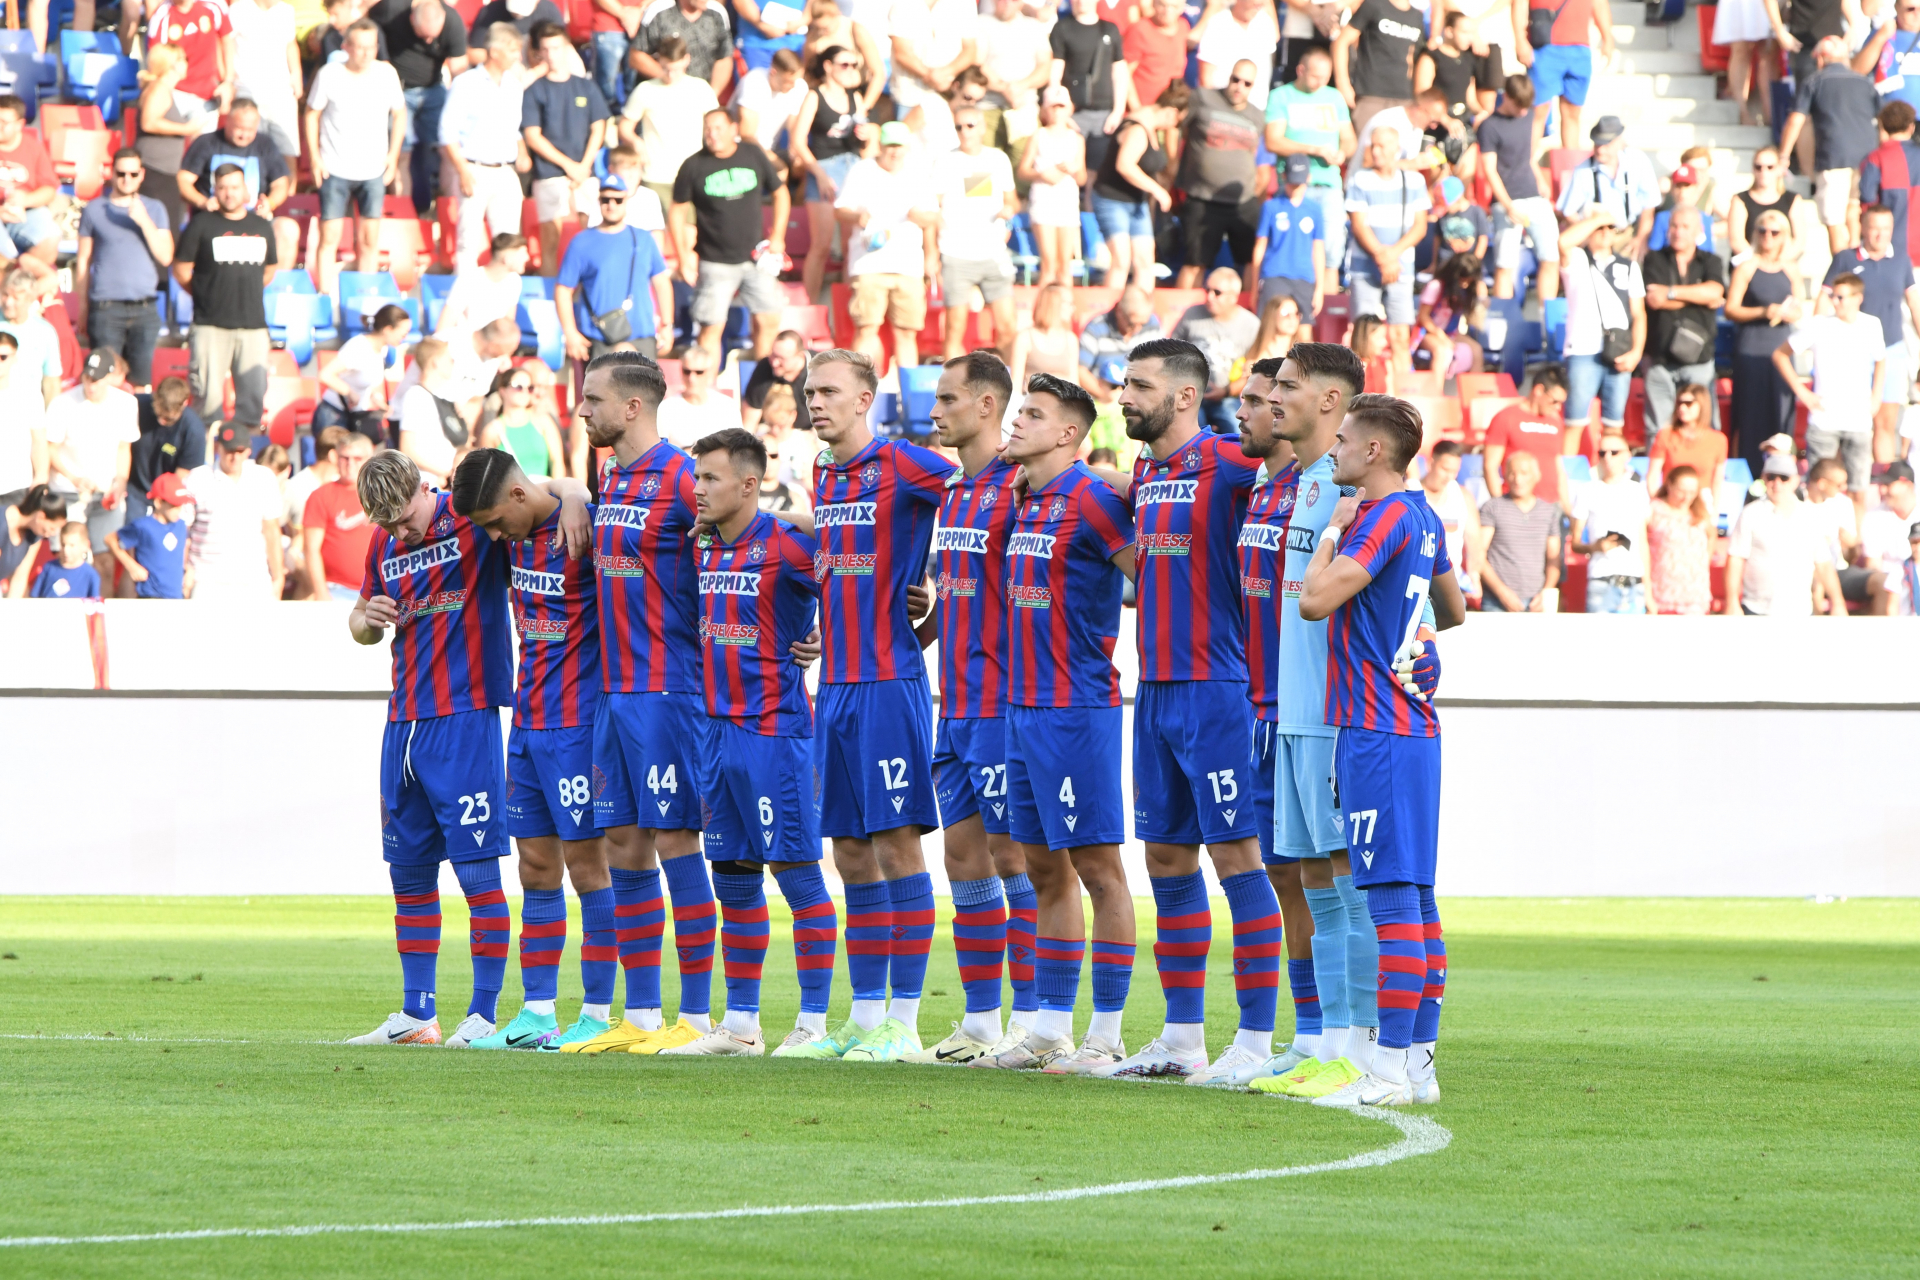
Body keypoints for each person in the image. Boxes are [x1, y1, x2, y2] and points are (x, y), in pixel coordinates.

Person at [1060, 337, 1269, 1083]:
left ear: (1186, 396)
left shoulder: (1231, 462)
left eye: (1140, 386)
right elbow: (1118, 486)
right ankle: (1182, 1039)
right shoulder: (1150, 471)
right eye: (1124, 383)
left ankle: (1258, 1040)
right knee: (1167, 858)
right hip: (1154, 690)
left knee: (1239, 859)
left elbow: (1315, 484)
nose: (1124, 397)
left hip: (1219, 688)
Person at [343, 448, 589, 1048]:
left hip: (467, 717)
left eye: (404, 519)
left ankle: (481, 1013)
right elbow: (358, 624)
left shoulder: (471, 517)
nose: (401, 533)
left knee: (478, 872)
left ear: (425, 489)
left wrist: (578, 494)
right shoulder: (382, 546)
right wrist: (367, 619)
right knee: (408, 872)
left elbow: (536, 488)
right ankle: (416, 1014)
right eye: (389, 526)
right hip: (403, 721)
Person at [776, 347, 956, 1062]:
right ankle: (867, 1015)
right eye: (807, 391)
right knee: (850, 851)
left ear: (865, 399)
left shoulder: (908, 464)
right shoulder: (824, 471)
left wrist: (939, 597)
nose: (814, 402)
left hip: (890, 684)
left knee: (896, 846)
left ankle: (906, 1025)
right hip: (838, 688)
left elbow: (984, 494)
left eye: (827, 391)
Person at [621, 426, 818, 1055]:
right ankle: (741, 1026)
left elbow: (859, 593)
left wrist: (825, 640)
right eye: (695, 477)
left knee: (797, 877)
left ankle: (812, 1025)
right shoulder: (702, 544)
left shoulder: (789, 547)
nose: (696, 489)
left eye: (709, 478)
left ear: (750, 484)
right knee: (733, 877)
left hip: (773, 732)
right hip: (713, 732)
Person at [964, 369, 1139, 1072]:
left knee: (1100, 870)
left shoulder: (1095, 500)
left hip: (1078, 712)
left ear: (1069, 434)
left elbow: (1149, 581)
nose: (1015, 423)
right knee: (1041, 870)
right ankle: (1048, 1027)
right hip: (1020, 711)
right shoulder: (1019, 500)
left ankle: (1108, 1034)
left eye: (1031, 415)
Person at [1292, 393, 1462, 1107]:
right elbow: (1452, 610)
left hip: (1376, 730)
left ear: (1374, 452)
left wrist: (1332, 532)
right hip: (1413, 729)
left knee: (1390, 901)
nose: (1333, 449)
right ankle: (1417, 1063)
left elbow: (1313, 599)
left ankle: (1387, 1069)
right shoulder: (1424, 517)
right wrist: (1415, 638)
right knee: (1416, 901)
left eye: (1345, 439)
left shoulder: (1382, 515)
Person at [1232, 343, 1372, 1095]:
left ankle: (1361, 1047)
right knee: (1311, 877)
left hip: (1331, 714)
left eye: (1285, 387)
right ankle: (1320, 1040)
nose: (1270, 397)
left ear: (1329, 402)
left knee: (1345, 880)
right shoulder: (1289, 486)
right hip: (1286, 709)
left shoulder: (1343, 487)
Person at [441, 448, 610, 1050]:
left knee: (590, 869)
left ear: (516, 496)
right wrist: (567, 489)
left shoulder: (581, 532)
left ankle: (597, 1012)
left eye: (492, 521)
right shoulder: (521, 530)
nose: (490, 535)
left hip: (579, 726)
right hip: (530, 722)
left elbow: (583, 494)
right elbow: (559, 486)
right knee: (536, 867)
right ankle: (538, 1013)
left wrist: (574, 497)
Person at [898, 351, 1031, 1062]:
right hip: (957, 702)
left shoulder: (1021, 485)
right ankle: (982, 1023)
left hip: (1008, 703)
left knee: (1019, 857)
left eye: (948, 399)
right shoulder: (951, 492)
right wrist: (928, 622)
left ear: (987, 406)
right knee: (963, 857)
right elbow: (962, 592)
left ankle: (1041, 1019)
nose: (935, 411)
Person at [671, 109, 789, 360]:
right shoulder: (693, 166)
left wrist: (778, 236)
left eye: (718, 128)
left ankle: (760, 382)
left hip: (756, 258)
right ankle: (705, 387)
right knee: (710, 329)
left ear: (734, 129)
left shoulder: (753, 154)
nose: (712, 135)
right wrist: (682, 256)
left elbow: (781, 194)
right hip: (715, 261)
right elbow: (677, 212)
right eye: (707, 129)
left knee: (769, 320)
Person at [304, 20, 407, 296]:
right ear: (346, 46)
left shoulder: (387, 74)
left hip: (373, 169)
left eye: (370, 47)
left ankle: (365, 297)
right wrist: (314, 157)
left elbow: (400, 114)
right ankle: (325, 297)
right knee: (330, 239)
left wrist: (393, 156)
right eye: (359, 47)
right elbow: (312, 113)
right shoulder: (330, 74)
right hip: (334, 167)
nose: (364, 53)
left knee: (369, 239)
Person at [175, 165, 278, 430]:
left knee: (252, 401)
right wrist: (206, 293)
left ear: (245, 190)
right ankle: (205, 459)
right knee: (207, 403)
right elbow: (182, 270)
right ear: (215, 191)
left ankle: (246, 457)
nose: (229, 194)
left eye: (234, 187)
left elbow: (269, 270)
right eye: (222, 188)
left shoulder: (261, 226)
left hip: (253, 326)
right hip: (210, 325)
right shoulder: (201, 224)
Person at [836, 122, 939, 372]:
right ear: (880, 145)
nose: (894, 151)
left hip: (908, 265)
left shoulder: (918, 172)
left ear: (907, 148)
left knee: (906, 332)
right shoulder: (862, 170)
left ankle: (908, 396)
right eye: (890, 145)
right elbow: (840, 210)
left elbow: (933, 218)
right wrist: (857, 217)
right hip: (869, 263)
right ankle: (860, 390)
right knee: (866, 328)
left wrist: (926, 240)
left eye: (899, 146)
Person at [1823, 204, 1920, 467]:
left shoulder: (1901, 260)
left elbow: (1913, 302)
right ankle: (1841, 479)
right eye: (1874, 228)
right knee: (1849, 421)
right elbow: (1824, 297)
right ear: (1864, 228)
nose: (1879, 234)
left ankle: (1883, 478)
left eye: (1885, 228)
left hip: (1891, 350)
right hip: (1852, 352)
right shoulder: (1845, 258)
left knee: (1885, 421)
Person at [1779, 273, 1885, 506]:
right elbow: (1780, 354)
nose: (1835, 301)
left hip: (1858, 419)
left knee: (1858, 488)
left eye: (1840, 297)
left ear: (1858, 298)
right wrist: (1802, 392)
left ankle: (1855, 541)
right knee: (1820, 488)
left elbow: (1881, 359)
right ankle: (1817, 539)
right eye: (1833, 296)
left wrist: (1876, 396)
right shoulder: (1819, 325)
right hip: (1824, 420)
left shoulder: (1871, 324)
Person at [75, 150, 175, 393]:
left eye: (133, 173)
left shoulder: (154, 208)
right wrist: (82, 307)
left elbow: (165, 256)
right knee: (103, 380)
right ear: (111, 174)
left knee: (141, 384)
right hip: (106, 308)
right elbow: (83, 260)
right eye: (121, 173)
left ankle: (137, 431)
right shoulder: (94, 209)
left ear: (142, 175)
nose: (127, 179)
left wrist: (143, 221)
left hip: (145, 308)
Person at [440, 25, 532, 273]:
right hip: (474, 169)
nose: (518, 56)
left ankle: (504, 307)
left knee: (510, 243)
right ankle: (464, 305)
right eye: (513, 50)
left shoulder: (513, 85)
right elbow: (447, 132)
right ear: (494, 51)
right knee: (468, 242)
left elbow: (514, 128)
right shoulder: (465, 83)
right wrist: (463, 171)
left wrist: (521, 150)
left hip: (505, 170)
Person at [520, 23, 612, 272]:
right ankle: (550, 294)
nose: (552, 54)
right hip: (550, 175)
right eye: (546, 49)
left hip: (585, 174)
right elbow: (533, 136)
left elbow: (599, 127)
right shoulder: (534, 91)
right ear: (539, 53)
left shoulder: (585, 87)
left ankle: (585, 292)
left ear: (566, 48)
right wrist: (568, 165)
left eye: (557, 48)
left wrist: (583, 165)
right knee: (551, 241)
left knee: (591, 237)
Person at [557, 175, 674, 365]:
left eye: (618, 200)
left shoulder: (643, 239)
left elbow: (661, 281)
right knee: (600, 394)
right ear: (599, 201)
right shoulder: (581, 242)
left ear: (626, 201)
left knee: (645, 393)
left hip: (641, 334)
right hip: (598, 335)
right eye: (605, 200)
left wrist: (667, 325)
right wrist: (570, 333)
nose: (611, 205)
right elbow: (563, 289)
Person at [1780, 36, 1881, 255]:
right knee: (1854, 210)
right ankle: (1856, 265)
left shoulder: (1814, 81)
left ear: (1820, 59)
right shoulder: (1865, 82)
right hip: (1867, 158)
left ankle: (1843, 275)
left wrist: (1783, 155)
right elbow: (1880, 121)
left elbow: (1796, 120)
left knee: (1833, 219)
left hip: (1833, 158)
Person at [46, 349, 140, 585]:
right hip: (68, 490)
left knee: (105, 561)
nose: (91, 385)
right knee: (66, 560)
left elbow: (123, 449)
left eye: (96, 380)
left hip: (105, 492)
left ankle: (98, 615)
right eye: (87, 378)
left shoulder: (126, 404)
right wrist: (74, 478)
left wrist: (120, 483)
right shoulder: (63, 403)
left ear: (110, 377)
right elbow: (50, 449)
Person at [935, 105, 1019, 362]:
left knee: (1007, 326)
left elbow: (1013, 201)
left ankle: (1007, 386)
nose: (964, 131)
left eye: (970, 125)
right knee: (954, 328)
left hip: (992, 250)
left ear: (982, 127)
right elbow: (933, 207)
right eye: (959, 126)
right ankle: (957, 389)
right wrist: (934, 249)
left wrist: (1008, 211)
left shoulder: (998, 159)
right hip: (955, 251)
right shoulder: (945, 161)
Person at [791, 47, 877, 299]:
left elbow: (865, 137)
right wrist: (817, 173)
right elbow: (798, 140)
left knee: (852, 245)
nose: (851, 70)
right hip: (825, 167)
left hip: (852, 167)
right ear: (828, 67)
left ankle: (847, 308)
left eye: (854, 65)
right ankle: (811, 306)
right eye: (845, 65)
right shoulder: (814, 96)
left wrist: (866, 134)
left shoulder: (856, 98)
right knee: (821, 245)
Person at [1174, 60, 1266, 290]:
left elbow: (1261, 158)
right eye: (1235, 79)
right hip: (1202, 197)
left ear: (1253, 86)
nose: (1239, 87)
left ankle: (1246, 314)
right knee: (1195, 262)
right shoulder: (1202, 98)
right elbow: (1173, 126)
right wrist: (1172, 164)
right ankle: (1181, 316)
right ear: (1229, 77)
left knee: (1249, 263)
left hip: (1242, 201)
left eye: (1246, 83)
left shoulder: (1257, 116)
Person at [1559, 207, 1645, 451]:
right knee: (1575, 422)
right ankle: (1569, 475)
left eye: (1610, 227)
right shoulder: (1577, 260)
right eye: (1599, 228)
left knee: (1613, 425)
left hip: (1617, 349)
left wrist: (1636, 352)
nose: (1606, 232)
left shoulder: (1628, 267)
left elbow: (1639, 314)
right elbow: (1563, 241)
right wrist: (1598, 218)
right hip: (1582, 350)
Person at [370, 0, 468, 217]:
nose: (429, 41)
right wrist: (382, 57)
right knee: (401, 153)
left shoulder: (452, 21)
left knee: (449, 150)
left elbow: (459, 69)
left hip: (434, 88)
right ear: (413, 18)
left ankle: (449, 210)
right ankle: (402, 213)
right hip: (398, 91)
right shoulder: (391, 10)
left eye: (434, 36)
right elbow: (366, 24)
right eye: (424, 35)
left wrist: (460, 109)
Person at [1346, 126, 1432, 372]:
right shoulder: (1360, 180)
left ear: (1398, 149)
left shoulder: (1414, 180)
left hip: (1400, 267)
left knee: (1400, 337)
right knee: (1364, 338)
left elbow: (1420, 227)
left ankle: (1401, 399)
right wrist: (1383, 258)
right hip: (1365, 268)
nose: (1376, 151)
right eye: (1373, 145)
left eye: (1382, 145)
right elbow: (1359, 225)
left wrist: (1391, 256)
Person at [1265, 47, 1354, 283]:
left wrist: (1342, 153)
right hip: (1294, 185)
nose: (1321, 83)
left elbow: (1349, 139)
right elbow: (1273, 140)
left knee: (1331, 254)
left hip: (1329, 185)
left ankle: (1326, 312)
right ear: (1301, 70)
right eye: (1316, 77)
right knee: (1290, 250)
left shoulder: (1334, 97)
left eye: (1326, 77)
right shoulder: (1281, 96)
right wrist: (1314, 150)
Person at [1726, 208, 1804, 475]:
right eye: (1762, 231)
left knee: (1780, 410)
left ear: (1784, 236)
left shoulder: (1790, 269)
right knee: (1750, 413)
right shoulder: (1747, 266)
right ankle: (1748, 470)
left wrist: (1785, 313)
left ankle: (1781, 471)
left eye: (1774, 232)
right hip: (1752, 346)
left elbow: (1799, 307)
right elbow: (1731, 308)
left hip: (1781, 345)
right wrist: (1763, 312)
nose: (1768, 237)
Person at [1091, 82, 1188, 290]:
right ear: (1171, 113)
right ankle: (1109, 314)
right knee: (1121, 261)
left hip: (1137, 202)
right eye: (1177, 123)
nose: (1174, 128)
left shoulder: (1151, 128)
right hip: (1112, 200)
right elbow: (1125, 165)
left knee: (1145, 261)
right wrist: (1157, 189)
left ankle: (1142, 312)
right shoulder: (1137, 127)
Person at [1642, 203, 1726, 437]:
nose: (1678, 231)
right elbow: (1653, 300)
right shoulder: (1654, 259)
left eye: (1685, 226)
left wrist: (1670, 292)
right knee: (1659, 430)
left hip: (1699, 359)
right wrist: (1698, 295)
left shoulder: (1711, 261)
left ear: (1698, 231)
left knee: (1703, 428)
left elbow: (1715, 292)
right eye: (1674, 226)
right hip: (1660, 358)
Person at [1725, 453, 1844, 615]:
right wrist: (1732, 601)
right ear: (1763, 479)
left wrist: (1838, 602)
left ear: (1795, 481)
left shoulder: (1810, 516)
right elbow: (1736, 559)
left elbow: (1823, 564)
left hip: (1799, 610)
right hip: (1757, 609)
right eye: (1771, 477)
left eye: (1784, 478)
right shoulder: (1750, 513)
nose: (1777, 483)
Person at [619, 34, 722, 213]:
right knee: (660, 233)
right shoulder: (645, 90)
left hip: (693, 174)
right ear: (659, 61)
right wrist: (636, 142)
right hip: (656, 175)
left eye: (675, 69)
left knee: (691, 234)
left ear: (686, 60)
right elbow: (624, 127)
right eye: (666, 69)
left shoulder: (701, 88)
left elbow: (716, 124)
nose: (671, 75)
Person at [184, 421, 286, 600]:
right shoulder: (197, 478)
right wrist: (186, 571)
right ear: (218, 448)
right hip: (207, 579)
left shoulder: (263, 478)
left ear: (248, 450)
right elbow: (183, 530)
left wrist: (278, 576)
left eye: (240, 452)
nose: (235, 458)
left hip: (253, 579)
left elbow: (271, 530)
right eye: (229, 451)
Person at [1566, 428, 1651, 614]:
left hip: (1634, 582)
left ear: (1627, 455)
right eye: (1602, 453)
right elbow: (1576, 543)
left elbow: (1642, 542)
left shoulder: (1637, 491)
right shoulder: (1587, 490)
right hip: (1601, 580)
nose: (1608, 458)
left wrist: (1648, 592)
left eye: (1614, 452)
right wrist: (1595, 547)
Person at [1172, 268, 1260, 434]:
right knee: (1191, 435)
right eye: (1207, 290)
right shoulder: (1192, 314)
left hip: (1228, 397)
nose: (1209, 296)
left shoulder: (1251, 325)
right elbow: (1171, 353)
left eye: (1217, 292)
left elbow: (1252, 372)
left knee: (1238, 432)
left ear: (1234, 296)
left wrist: (1226, 391)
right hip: (1191, 395)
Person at [1017, 86, 1089, 289]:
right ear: (1045, 110)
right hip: (1044, 201)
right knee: (1049, 264)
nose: (1057, 112)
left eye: (1061, 107)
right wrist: (1041, 174)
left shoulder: (1077, 139)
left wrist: (1074, 169)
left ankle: (1065, 311)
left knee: (1064, 266)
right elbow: (1023, 170)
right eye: (1053, 107)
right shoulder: (1039, 136)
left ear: (1070, 109)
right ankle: (1044, 311)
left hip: (1067, 202)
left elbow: (1082, 177)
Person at [1512, 0, 1610, 147]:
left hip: (1579, 49)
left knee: (1572, 113)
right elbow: (1519, 3)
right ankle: (1526, 164)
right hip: (1545, 48)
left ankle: (1570, 165)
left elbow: (1600, 4)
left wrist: (1607, 37)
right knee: (1538, 111)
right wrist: (1520, 40)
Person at [1556, 116, 1657, 255]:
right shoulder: (1583, 170)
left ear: (1619, 142)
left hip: (1627, 235)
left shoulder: (1638, 162)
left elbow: (1649, 206)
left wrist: (1640, 239)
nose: (1601, 150)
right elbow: (1568, 211)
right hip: (1596, 238)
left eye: (1606, 144)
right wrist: (1588, 237)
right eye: (1597, 144)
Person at [135, 44, 208, 239]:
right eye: (183, 59)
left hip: (165, 172)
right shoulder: (158, 89)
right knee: (161, 233)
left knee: (168, 232)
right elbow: (149, 122)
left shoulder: (164, 90)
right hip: (155, 172)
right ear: (171, 65)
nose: (186, 64)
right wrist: (186, 129)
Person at [1477, 450, 1560, 611]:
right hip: (1496, 602)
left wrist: (1546, 592)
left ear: (1536, 476)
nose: (1518, 479)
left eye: (1524, 473)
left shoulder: (1548, 512)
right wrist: (1502, 592)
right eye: (1512, 473)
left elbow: (1554, 559)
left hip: (1536, 602)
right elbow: (1479, 554)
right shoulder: (1493, 507)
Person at [1049, 0, 1127, 170]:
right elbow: (1055, 73)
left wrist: (1118, 111)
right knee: (1069, 167)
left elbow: (1120, 72)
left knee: (1098, 170)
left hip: (1105, 114)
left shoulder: (1110, 29)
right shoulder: (1062, 28)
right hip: (1074, 113)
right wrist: (1061, 113)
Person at [298, 430, 375, 600]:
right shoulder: (321, 496)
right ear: (335, 458)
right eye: (345, 458)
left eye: (357, 459)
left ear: (369, 460)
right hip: (336, 591)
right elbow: (311, 549)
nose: (350, 464)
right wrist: (321, 594)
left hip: (378, 591)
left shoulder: (382, 495)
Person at [314, 303, 408, 443]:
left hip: (353, 416)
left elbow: (368, 382)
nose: (404, 338)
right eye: (403, 333)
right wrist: (349, 392)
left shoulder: (382, 349)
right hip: (333, 417)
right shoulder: (358, 347)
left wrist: (378, 400)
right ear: (388, 329)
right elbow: (325, 374)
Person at [1251, 155, 1328, 320]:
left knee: (1304, 332)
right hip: (1274, 275)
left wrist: (1320, 288)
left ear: (1308, 178)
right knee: (1269, 326)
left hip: (1304, 277)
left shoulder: (1314, 210)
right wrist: (1253, 287)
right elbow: (1260, 247)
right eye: (1292, 182)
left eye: (1299, 183)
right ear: (1284, 177)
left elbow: (1318, 250)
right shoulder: (1270, 207)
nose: (1295, 187)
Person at [888, 0, 980, 139]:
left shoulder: (964, 3)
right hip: (909, 97)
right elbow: (901, 52)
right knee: (904, 149)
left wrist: (946, 73)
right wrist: (931, 76)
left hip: (948, 98)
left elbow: (970, 50)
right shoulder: (903, 3)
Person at [1335, 0, 1423, 140]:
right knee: (1367, 153)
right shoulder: (1374, 4)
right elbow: (1341, 42)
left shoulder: (1417, 16)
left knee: (1396, 156)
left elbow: (1413, 59)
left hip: (1404, 99)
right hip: (1371, 95)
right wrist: (1343, 84)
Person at [0, 95, 62, 285]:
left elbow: (49, 190)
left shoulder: (33, 147)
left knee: (50, 237)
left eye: (4, 122)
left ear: (20, 124)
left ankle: (17, 280)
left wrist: (24, 200)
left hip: (23, 212)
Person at [228, 0, 302, 158]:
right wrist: (228, 78)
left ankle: (288, 184)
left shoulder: (286, 10)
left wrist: (296, 74)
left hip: (281, 91)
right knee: (249, 149)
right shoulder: (238, 9)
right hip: (247, 89)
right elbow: (225, 43)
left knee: (288, 150)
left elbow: (291, 44)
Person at [106, 471, 194, 599]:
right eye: (174, 505)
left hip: (175, 597)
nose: (178, 510)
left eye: (181, 505)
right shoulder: (143, 526)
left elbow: (182, 549)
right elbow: (110, 539)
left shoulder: (181, 526)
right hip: (150, 597)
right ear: (159, 502)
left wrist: (187, 570)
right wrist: (132, 566)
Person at [1645, 463, 1714, 614]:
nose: (1686, 497)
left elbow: (1712, 535)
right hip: (1662, 593)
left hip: (1694, 594)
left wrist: (1703, 559)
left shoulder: (1700, 512)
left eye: (1692, 492)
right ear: (1669, 485)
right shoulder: (1654, 509)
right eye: (1681, 491)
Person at [1418, 438, 1481, 601]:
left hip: (1452, 586)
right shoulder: (1411, 492)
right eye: (1445, 469)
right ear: (1430, 463)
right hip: (1418, 584)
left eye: (1455, 471)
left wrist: (1474, 575)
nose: (1449, 476)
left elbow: (1474, 543)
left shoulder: (1463, 496)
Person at [1728, 144, 1815, 262]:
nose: (1763, 171)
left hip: (1782, 264)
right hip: (1747, 264)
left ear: (1779, 169)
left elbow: (1798, 241)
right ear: (1753, 169)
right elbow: (1736, 240)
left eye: (1770, 167)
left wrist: (1776, 265)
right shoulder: (1740, 200)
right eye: (1758, 167)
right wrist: (1759, 265)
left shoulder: (1793, 200)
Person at [629, 0, 735, 95]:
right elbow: (636, 56)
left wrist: (711, 94)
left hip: (699, 96)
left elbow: (724, 57)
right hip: (662, 94)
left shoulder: (717, 13)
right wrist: (670, 79)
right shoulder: (659, 10)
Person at [478, 367, 568, 478]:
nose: (525, 392)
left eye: (530, 388)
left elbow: (557, 462)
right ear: (503, 391)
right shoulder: (492, 431)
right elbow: (487, 474)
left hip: (542, 492)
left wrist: (555, 493)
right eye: (518, 387)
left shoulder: (543, 421)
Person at [440, 233, 533, 338]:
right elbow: (444, 326)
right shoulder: (469, 279)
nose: (527, 258)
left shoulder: (514, 281)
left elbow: (508, 325)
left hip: (495, 347)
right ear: (507, 259)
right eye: (523, 254)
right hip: (467, 345)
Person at [1645, 381, 1727, 497]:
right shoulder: (1665, 435)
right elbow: (1653, 475)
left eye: (1688, 403)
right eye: (1679, 403)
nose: (1682, 408)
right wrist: (1657, 504)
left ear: (1702, 405)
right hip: (1670, 498)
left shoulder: (1718, 440)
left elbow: (1717, 481)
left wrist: (1714, 511)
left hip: (1702, 499)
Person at [1194, 0, 1281, 110]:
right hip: (1220, 108)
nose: (1260, 4)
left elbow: (1276, 38)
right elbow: (1205, 76)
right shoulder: (1218, 22)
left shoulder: (1265, 23)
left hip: (1255, 112)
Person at [655, 344, 739, 447]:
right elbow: (659, 451)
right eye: (687, 371)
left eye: (699, 372)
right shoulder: (666, 408)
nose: (692, 378)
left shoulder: (727, 406)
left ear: (709, 372)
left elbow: (738, 448)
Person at [1011, 281, 1081, 398]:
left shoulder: (1071, 340)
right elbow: (1016, 385)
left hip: (1063, 406)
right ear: (1053, 303)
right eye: (1068, 303)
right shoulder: (1024, 338)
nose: (1073, 308)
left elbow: (1074, 381)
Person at [0, 270, 59, 406]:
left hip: (29, 411)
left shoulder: (45, 332)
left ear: (30, 300)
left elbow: (51, 383)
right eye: (5, 294)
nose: (8, 302)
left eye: (16, 298)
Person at [736, 48, 809, 155]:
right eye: (788, 82)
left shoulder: (799, 86)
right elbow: (747, 136)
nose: (793, 86)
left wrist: (798, 157)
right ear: (773, 72)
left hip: (771, 149)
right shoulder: (754, 82)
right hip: (742, 150)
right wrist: (773, 161)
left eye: (796, 81)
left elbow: (795, 130)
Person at [0, 332, 45, 503]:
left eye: (3, 356)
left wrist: (41, 477)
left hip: (17, 485)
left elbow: (39, 440)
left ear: (15, 357)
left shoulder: (29, 393)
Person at [1123, 0, 1189, 111]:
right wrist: (1136, 109)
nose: (1168, 11)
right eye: (1163, 5)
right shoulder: (1140, 29)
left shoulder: (1183, 26)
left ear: (1182, 8)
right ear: (1153, 4)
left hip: (1168, 110)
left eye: (1174, 6)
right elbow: (1125, 72)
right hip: (1144, 109)